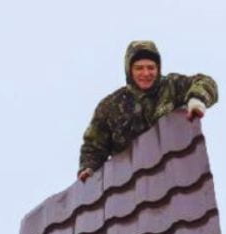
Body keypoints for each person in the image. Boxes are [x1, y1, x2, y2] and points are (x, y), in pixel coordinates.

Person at [78, 40, 218, 181]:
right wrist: (89, 169)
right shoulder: (111, 106)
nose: (146, 73)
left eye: (151, 68)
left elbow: (205, 82)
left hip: (174, 173)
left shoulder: (172, 87)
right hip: (130, 183)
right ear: (129, 70)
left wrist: (196, 100)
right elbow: (94, 146)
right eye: (139, 68)